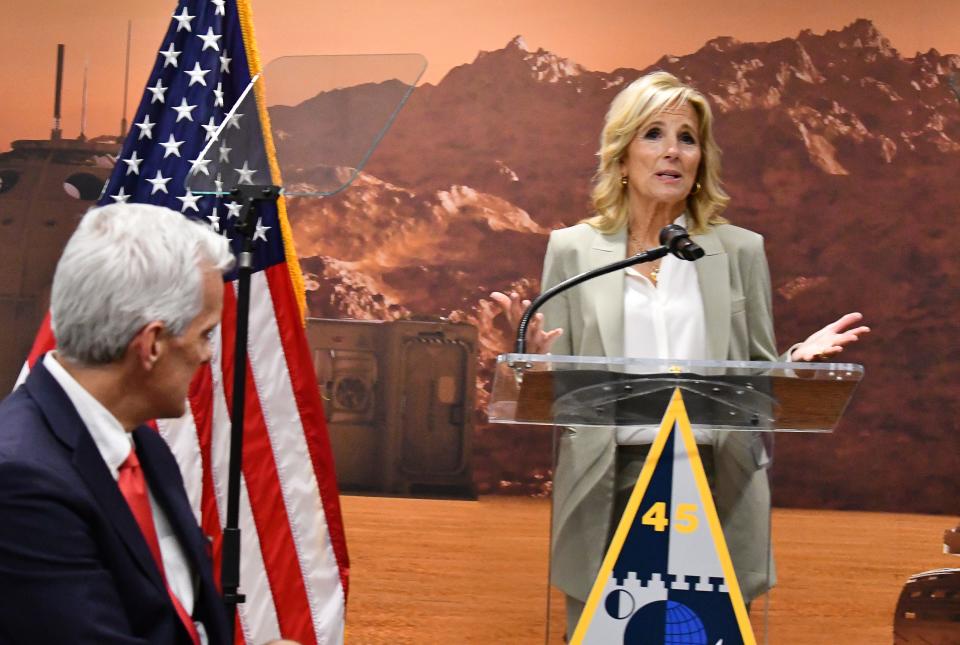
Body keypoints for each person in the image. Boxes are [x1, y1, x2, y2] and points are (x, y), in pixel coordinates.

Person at [492, 71, 869, 634]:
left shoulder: (739, 251)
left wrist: (794, 362)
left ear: (700, 161)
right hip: (609, 480)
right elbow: (558, 377)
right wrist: (538, 370)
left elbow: (755, 374)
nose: (672, 150)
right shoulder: (573, 250)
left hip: (714, 477)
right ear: (621, 157)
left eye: (687, 137)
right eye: (653, 134)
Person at [0, 204, 234, 643]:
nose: (208, 355)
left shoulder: (144, 449)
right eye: (205, 334)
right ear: (151, 344)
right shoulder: (18, 481)